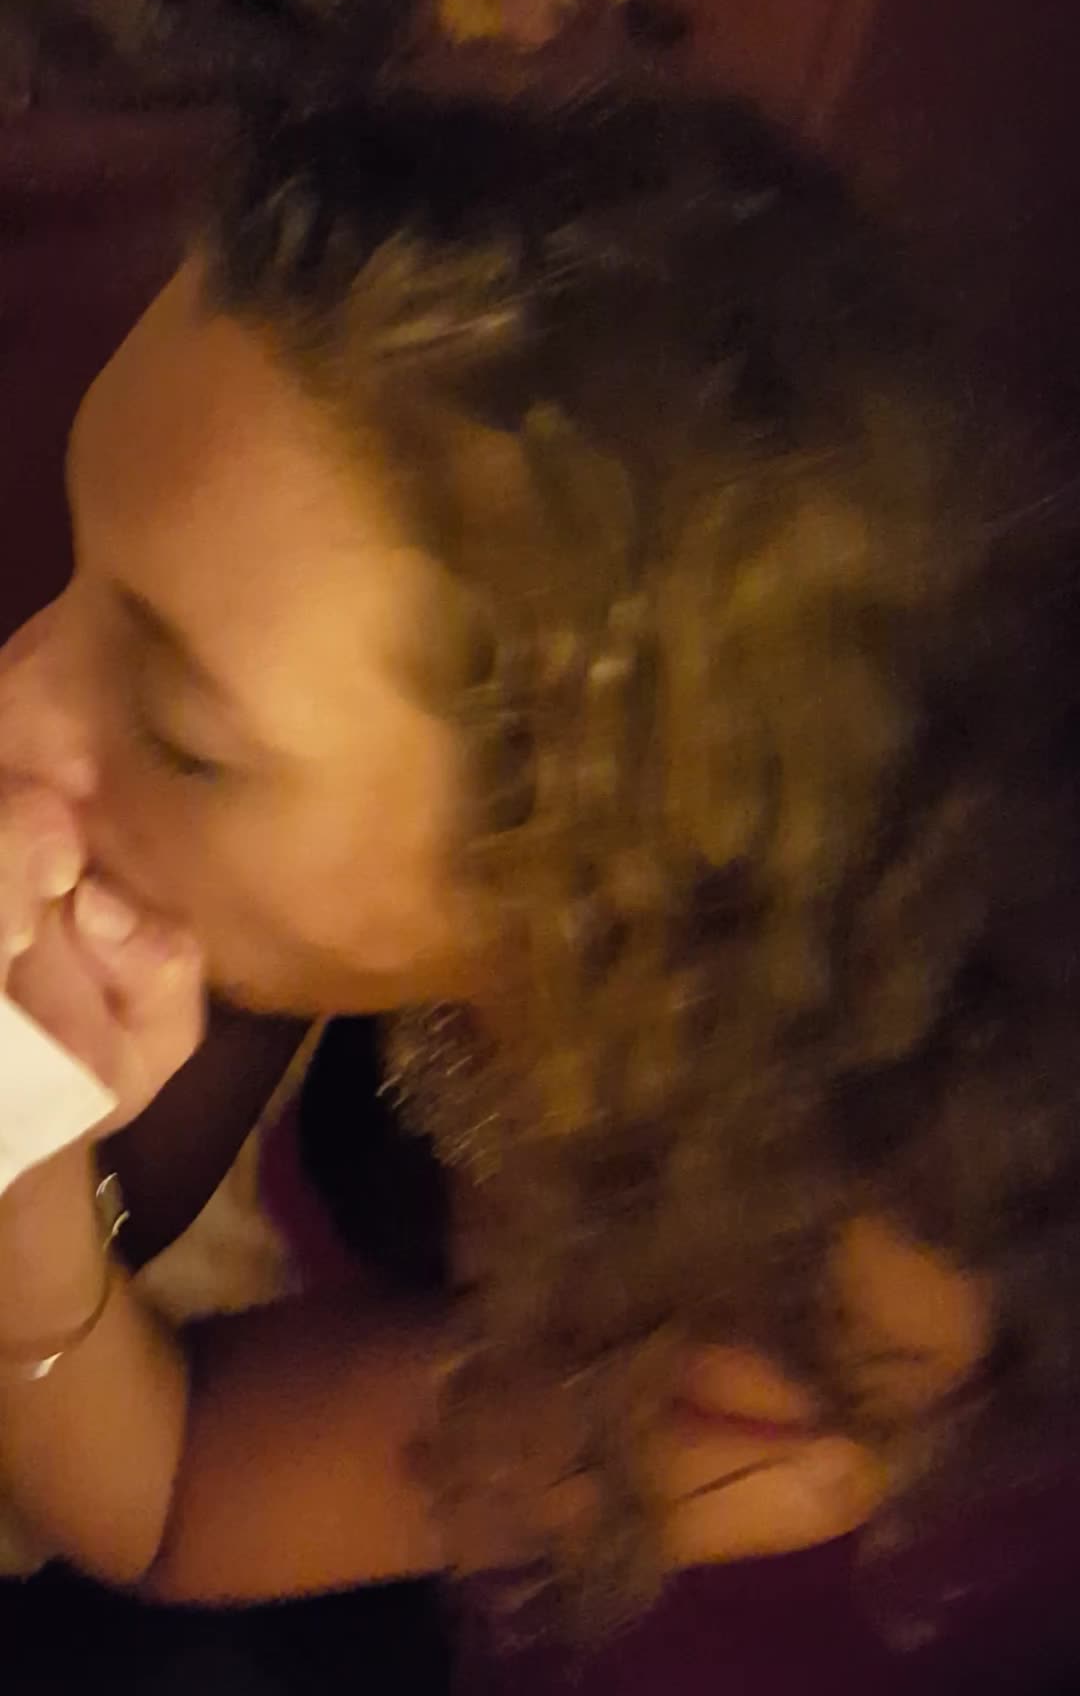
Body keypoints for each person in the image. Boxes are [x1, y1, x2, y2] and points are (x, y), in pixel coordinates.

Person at [0, 87, 1076, 1655]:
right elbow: (165, 1161)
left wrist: (17, 1153)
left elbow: (171, 1499)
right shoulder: (374, 856)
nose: (12, 697)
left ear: (572, 863)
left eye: (182, 732)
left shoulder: (827, 1317)